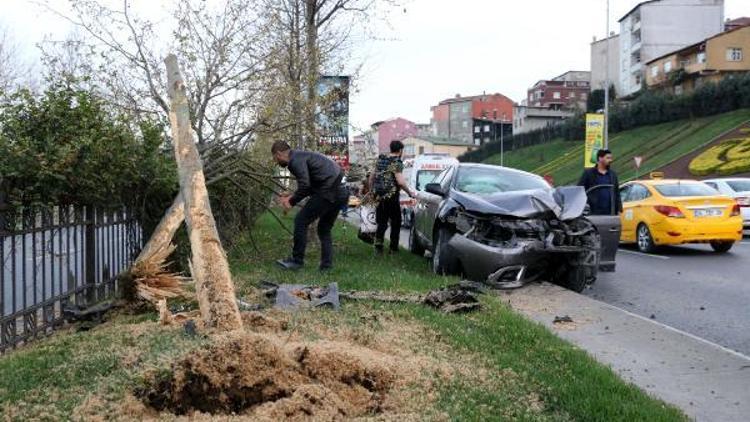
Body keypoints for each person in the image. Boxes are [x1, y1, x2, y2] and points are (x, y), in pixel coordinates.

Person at [271, 141, 348, 271]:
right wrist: (292, 194)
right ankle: (326, 267)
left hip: (328, 192)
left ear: (278, 154)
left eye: (274, 158)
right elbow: (313, 184)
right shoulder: (301, 156)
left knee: (301, 221)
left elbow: (305, 186)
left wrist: (291, 201)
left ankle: (297, 261)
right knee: (324, 229)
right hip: (341, 192)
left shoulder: (294, 160)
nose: (276, 161)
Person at [369, 140, 416, 254]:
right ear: (400, 151)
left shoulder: (381, 159)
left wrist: (372, 192)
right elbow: (400, 182)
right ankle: (393, 249)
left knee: (381, 222)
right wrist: (410, 193)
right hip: (392, 196)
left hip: (380, 196)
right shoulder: (397, 162)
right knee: (396, 222)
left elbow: (371, 177)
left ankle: (378, 247)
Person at [578, 149, 622, 215]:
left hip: (610, 212)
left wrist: (619, 209)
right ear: (600, 158)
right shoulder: (589, 173)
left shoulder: (612, 175)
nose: (610, 160)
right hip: (593, 212)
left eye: (611, 158)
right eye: (608, 158)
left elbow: (616, 192)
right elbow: (580, 190)